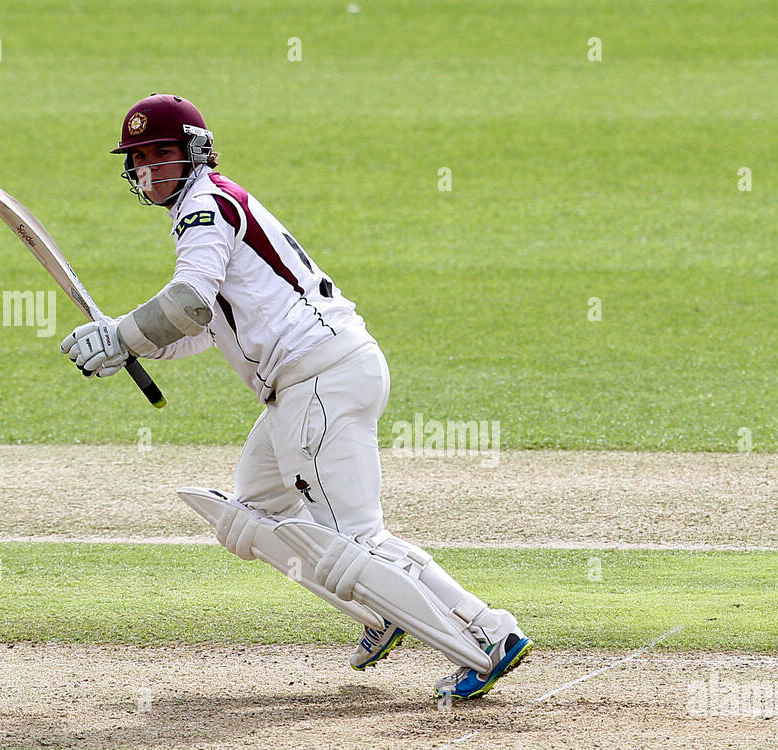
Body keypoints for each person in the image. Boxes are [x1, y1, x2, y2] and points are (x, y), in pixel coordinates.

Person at [60, 94, 530, 699]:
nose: (151, 169)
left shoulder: (203, 206)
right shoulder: (217, 204)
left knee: (356, 540)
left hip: (317, 382)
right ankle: (382, 611)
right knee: (251, 513)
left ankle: (485, 636)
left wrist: (119, 333)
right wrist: (126, 344)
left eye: (162, 154)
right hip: (314, 382)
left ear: (194, 153)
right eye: (140, 158)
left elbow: (188, 303)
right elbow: (205, 326)